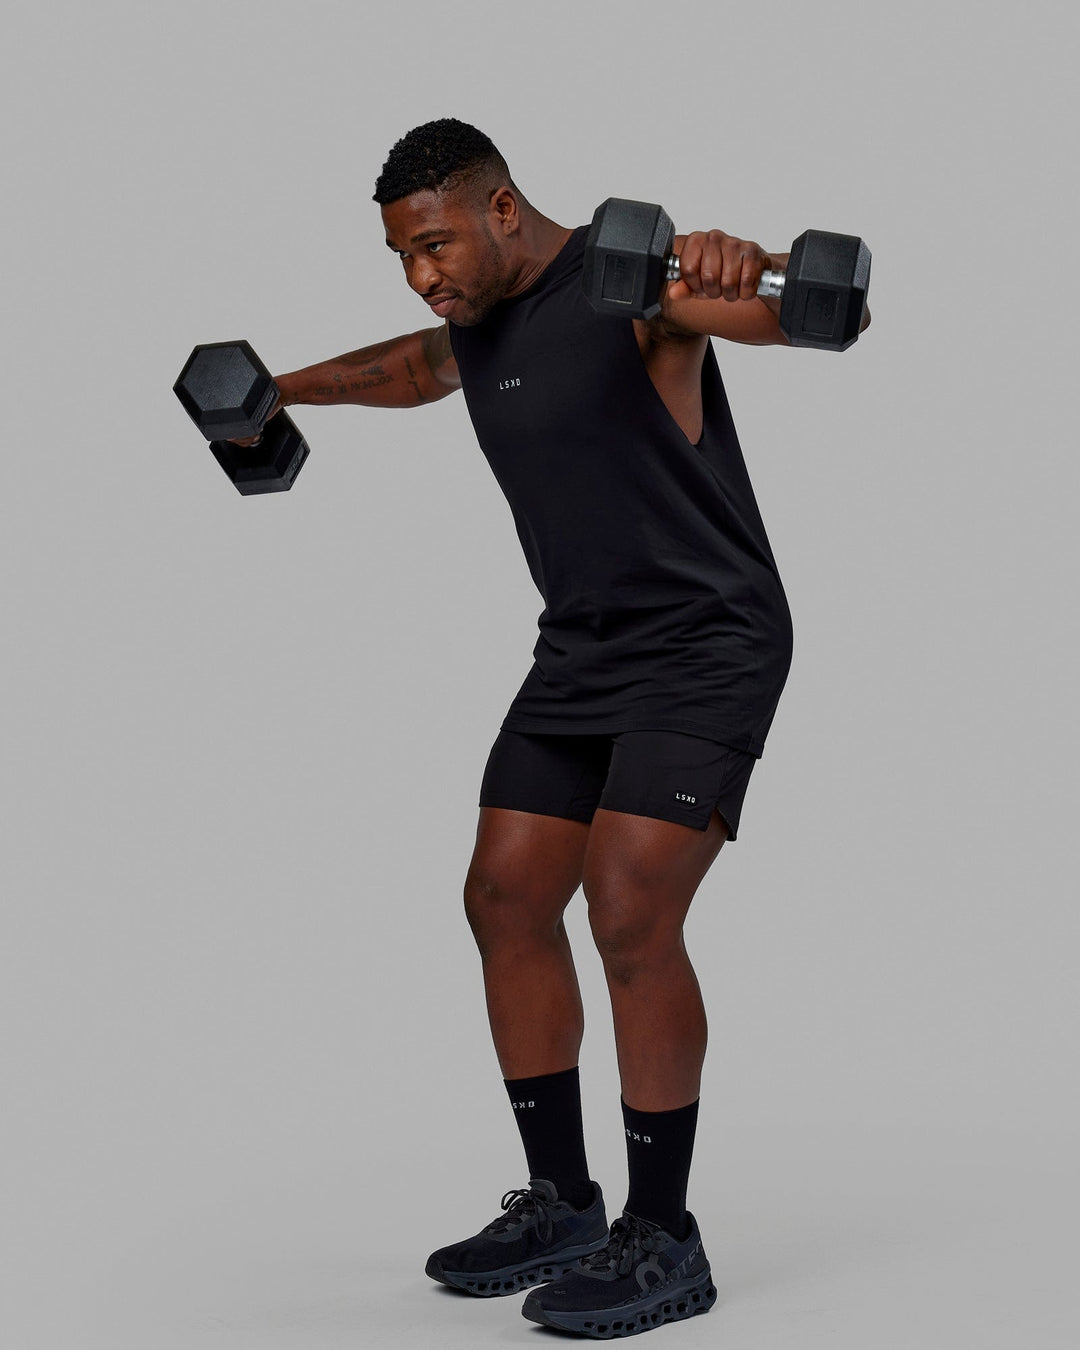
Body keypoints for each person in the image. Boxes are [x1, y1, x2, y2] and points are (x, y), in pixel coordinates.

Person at [241, 117, 869, 1339]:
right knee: (505, 895)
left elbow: (800, 316)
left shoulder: (640, 288)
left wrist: (743, 263)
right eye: (401, 256)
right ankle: (564, 1203)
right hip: (582, 645)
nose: (422, 274)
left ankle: (664, 1235)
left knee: (628, 907)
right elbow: (419, 367)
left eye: (434, 245)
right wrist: (283, 390)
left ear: (502, 210)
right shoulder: (477, 325)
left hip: (708, 642)